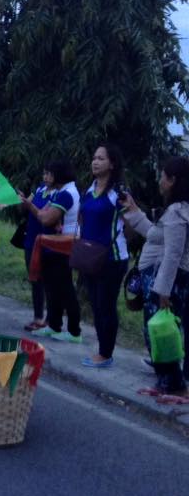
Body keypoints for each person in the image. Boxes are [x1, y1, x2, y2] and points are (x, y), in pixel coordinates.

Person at [123, 156, 189, 401]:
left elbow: (173, 255)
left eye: (163, 176)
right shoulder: (176, 211)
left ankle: (175, 386)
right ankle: (166, 383)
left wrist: (163, 291)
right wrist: (133, 211)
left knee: (162, 331)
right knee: (161, 331)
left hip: (169, 281)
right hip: (167, 279)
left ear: (172, 181)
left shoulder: (177, 212)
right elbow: (154, 234)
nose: (159, 180)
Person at [77, 144, 130, 369]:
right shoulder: (90, 188)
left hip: (112, 259)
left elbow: (131, 222)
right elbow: (83, 217)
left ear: (112, 164)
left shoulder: (118, 193)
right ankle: (102, 350)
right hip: (90, 257)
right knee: (97, 305)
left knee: (106, 305)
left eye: (101, 158)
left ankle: (105, 354)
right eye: (94, 157)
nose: (95, 162)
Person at [32, 159, 82, 342]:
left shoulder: (66, 194)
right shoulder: (62, 192)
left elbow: (46, 218)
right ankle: (54, 325)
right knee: (52, 286)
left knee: (65, 287)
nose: (47, 177)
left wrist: (32, 208)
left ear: (59, 175)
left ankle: (74, 330)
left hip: (63, 245)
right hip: (54, 243)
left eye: (50, 173)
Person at [20, 169, 56, 332]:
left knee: (49, 281)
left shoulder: (58, 194)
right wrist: (22, 201)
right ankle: (37, 317)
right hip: (31, 240)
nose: (46, 177)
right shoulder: (40, 188)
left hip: (48, 242)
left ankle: (50, 319)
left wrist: (29, 205)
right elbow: (27, 206)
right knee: (35, 280)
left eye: (50, 174)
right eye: (44, 173)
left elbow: (43, 215)